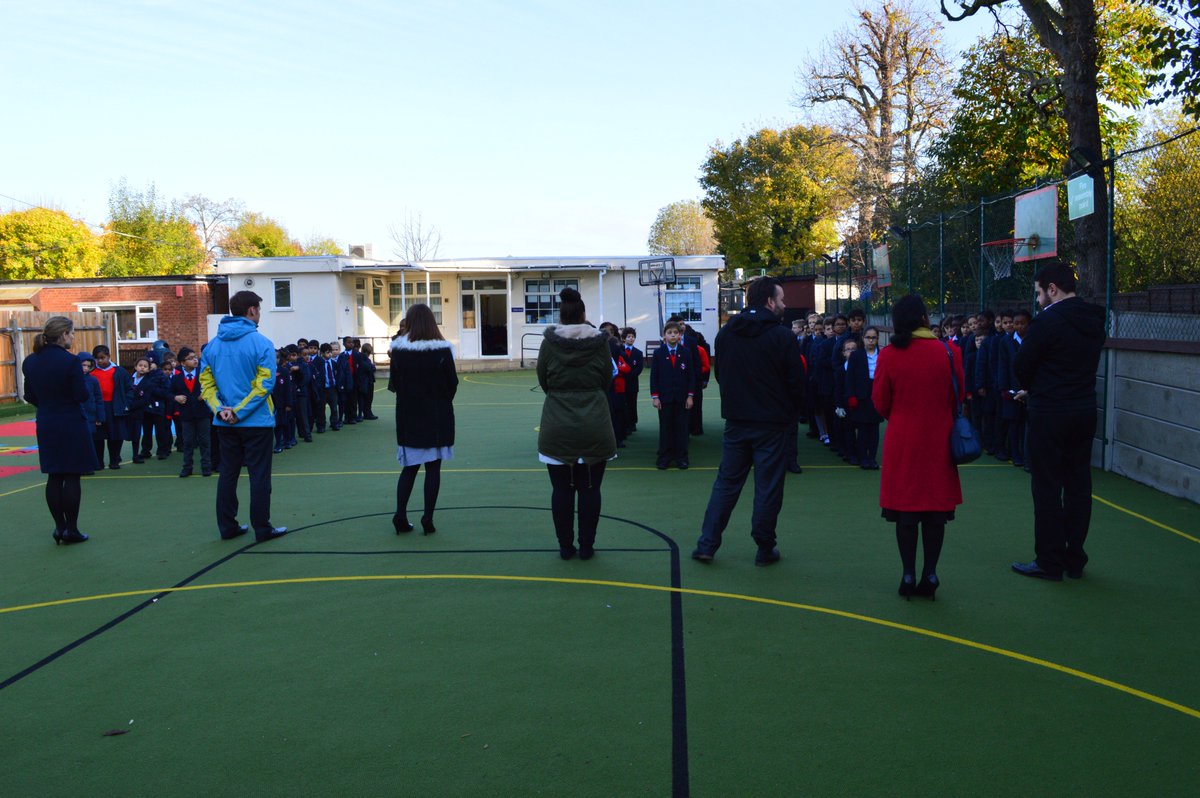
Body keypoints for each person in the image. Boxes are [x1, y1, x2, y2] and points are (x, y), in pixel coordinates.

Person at [692, 277, 805, 566]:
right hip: (771, 424)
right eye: (781, 300)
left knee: (726, 484)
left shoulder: (726, 334)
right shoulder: (783, 337)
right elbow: (796, 382)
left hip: (737, 421)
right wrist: (791, 412)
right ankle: (764, 546)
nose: (784, 304)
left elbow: (721, 375)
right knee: (767, 487)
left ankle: (707, 544)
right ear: (769, 302)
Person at [1011, 261, 1106, 581]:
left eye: (1039, 293)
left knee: (1047, 486)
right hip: (1083, 409)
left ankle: (1049, 561)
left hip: (1051, 412)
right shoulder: (1094, 319)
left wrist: (1032, 389)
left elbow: (1023, 364)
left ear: (1053, 289)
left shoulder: (1047, 322)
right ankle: (1074, 558)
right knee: (1079, 484)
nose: (1037, 301)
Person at [871, 295, 963, 599]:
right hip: (939, 438)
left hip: (903, 439)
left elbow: (880, 402)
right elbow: (958, 395)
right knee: (936, 510)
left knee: (905, 510)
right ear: (924, 318)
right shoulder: (948, 352)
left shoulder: (889, 355)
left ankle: (908, 573)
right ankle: (931, 572)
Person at [199, 291, 288, 543]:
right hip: (256, 422)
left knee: (228, 473)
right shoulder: (262, 343)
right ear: (251, 310)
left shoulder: (212, 346)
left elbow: (206, 385)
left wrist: (221, 410)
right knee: (259, 475)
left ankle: (227, 526)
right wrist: (238, 411)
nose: (259, 314)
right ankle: (262, 528)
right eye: (258, 309)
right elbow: (264, 385)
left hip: (224, 422)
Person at [536, 287, 616, 560]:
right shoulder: (600, 342)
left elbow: (543, 380)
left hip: (557, 424)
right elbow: (607, 378)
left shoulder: (549, 342)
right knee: (591, 489)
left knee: (561, 490)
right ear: (583, 314)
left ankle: (565, 546)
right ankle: (586, 546)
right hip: (595, 423)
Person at [21, 316, 100, 545]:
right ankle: (72, 529)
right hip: (70, 421)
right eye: (72, 333)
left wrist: (47, 404)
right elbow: (81, 395)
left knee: (54, 475)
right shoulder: (70, 361)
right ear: (64, 334)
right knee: (72, 475)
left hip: (46, 420)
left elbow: (29, 395)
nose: (73, 337)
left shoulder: (30, 361)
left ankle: (59, 527)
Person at [388, 304, 458, 535]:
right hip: (437, 416)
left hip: (409, 416)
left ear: (408, 322)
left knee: (409, 468)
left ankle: (400, 514)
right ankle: (428, 518)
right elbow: (452, 384)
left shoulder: (398, 350)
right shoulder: (442, 350)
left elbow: (394, 385)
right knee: (433, 468)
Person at [171, 347, 213, 477]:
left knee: (205, 441)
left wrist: (205, 394)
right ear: (182, 363)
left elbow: (212, 385)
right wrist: (175, 397)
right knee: (188, 442)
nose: (195, 360)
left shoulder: (203, 373)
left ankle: (206, 466)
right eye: (190, 358)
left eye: (195, 357)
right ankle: (187, 467)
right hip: (186, 414)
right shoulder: (177, 376)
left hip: (202, 412)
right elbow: (169, 392)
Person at [845, 325, 883, 470]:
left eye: (874, 338)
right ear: (863, 338)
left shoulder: (882, 354)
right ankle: (863, 458)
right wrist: (851, 395)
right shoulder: (856, 355)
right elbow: (850, 377)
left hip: (876, 394)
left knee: (874, 429)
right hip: (861, 395)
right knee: (862, 429)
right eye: (868, 337)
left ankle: (872, 458)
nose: (871, 340)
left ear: (877, 339)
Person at [89, 344, 131, 469]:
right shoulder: (92, 373)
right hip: (98, 407)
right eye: (97, 358)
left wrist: (126, 403)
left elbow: (129, 388)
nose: (100, 361)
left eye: (103, 358)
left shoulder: (119, 371)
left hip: (115, 406)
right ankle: (98, 462)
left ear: (109, 356)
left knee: (116, 434)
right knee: (98, 436)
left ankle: (115, 460)